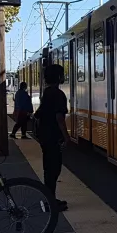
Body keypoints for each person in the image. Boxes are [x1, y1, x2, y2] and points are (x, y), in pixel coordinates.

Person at [34, 65, 69, 211]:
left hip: (44, 136)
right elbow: (59, 117)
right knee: (54, 169)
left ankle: (50, 199)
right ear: (59, 77)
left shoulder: (47, 93)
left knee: (48, 169)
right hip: (53, 137)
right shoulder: (58, 94)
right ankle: (50, 202)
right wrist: (66, 137)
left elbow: (38, 115)